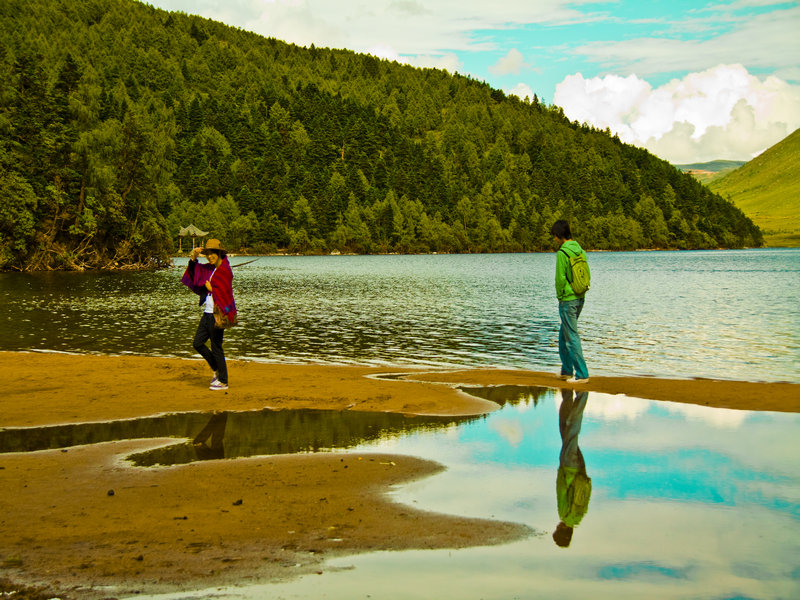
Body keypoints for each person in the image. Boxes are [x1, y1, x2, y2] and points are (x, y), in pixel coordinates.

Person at [181, 239, 237, 391]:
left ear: (219, 253)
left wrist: (212, 288)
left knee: (216, 347)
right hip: (207, 313)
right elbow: (194, 271)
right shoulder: (210, 268)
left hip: (217, 313)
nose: (210, 256)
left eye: (213, 253)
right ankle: (216, 368)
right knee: (197, 343)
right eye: (208, 253)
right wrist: (193, 257)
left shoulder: (224, 270)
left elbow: (225, 291)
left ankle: (223, 381)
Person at [551, 220, 589, 383]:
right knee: (563, 334)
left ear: (559, 236)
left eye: (554, 236)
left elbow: (560, 279)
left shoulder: (562, 253)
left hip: (568, 299)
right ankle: (566, 370)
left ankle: (582, 374)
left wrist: (560, 297)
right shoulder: (580, 250)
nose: (554, 239)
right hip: (580, 297)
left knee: (571, 336)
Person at [553, 388, 592, 548]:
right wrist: (560, 471)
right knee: (571, 429)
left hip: (581, 471)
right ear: (561, 530)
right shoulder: (564, 515)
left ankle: (567, 395)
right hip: (568, 468)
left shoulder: (579, 517)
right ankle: (581, 395)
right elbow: (561, 490)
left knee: (566, 430)